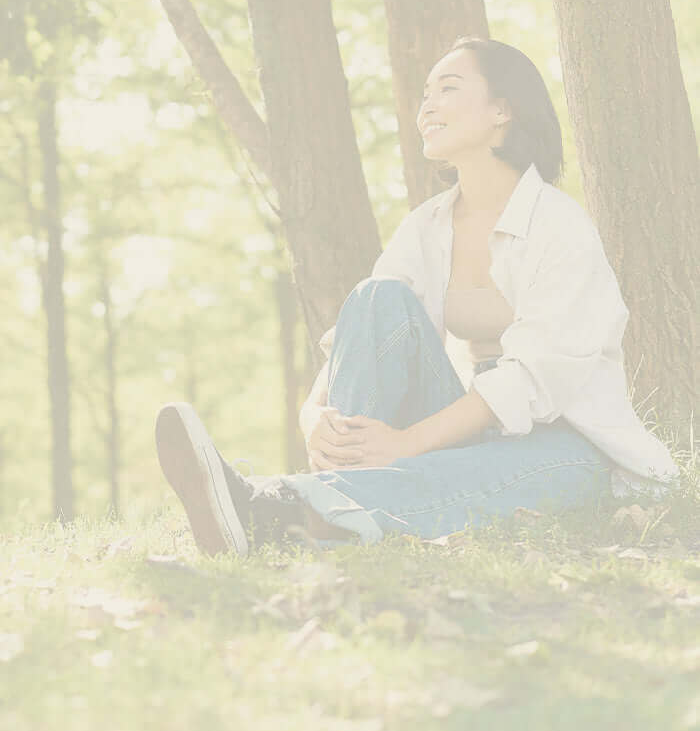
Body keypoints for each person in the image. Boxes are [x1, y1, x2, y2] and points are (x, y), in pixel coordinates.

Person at [155, 37, 680, 558]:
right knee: (378, 296)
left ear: (502, 109)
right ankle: (328, 483)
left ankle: (270, 510)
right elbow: (366, 330)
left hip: (568, 446)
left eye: (448, 88)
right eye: (425, 93)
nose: (426, 105)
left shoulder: (561, 226)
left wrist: (406, 443)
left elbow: (531, 379)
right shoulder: (427, 225)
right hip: (470, 424)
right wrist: (312, 416)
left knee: (443, 472)